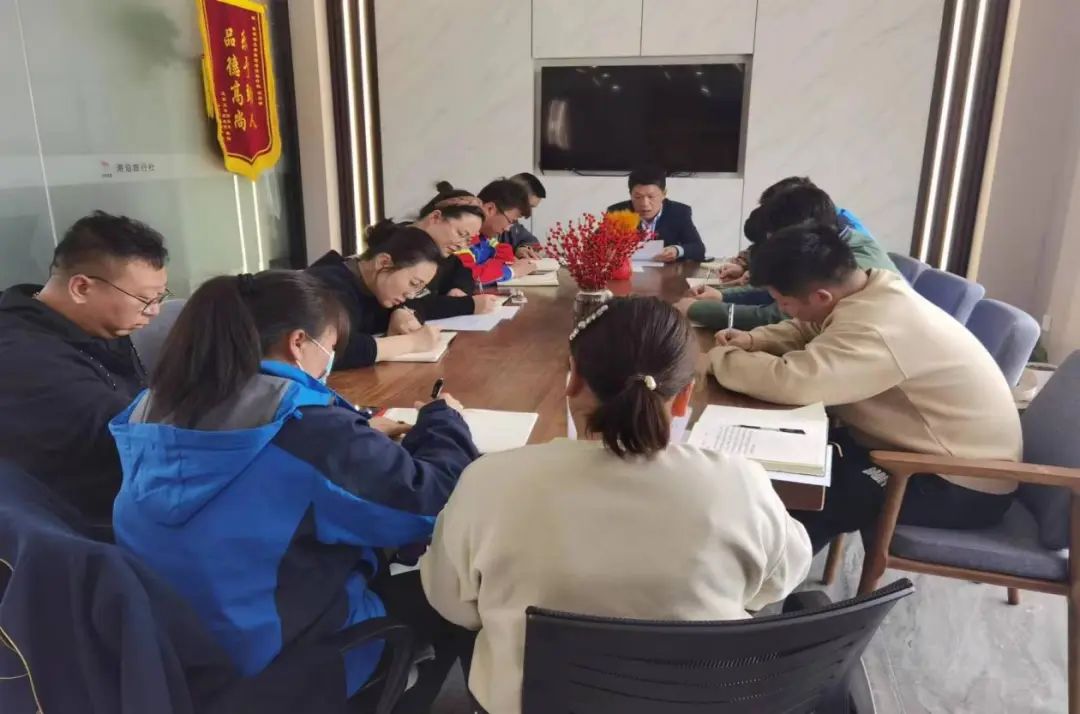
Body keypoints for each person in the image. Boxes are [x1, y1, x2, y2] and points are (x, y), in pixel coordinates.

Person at [421, 296, 812, 714]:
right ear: (685, 397)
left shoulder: (490, 482)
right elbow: (777, 583)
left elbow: (452, 603)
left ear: (573, 379)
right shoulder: (739, 484)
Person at [110, 270, 480, 705]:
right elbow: (434, 503)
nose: (329, 362)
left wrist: (355, 439)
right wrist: (444, 421)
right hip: (280, 660)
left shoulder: (152, 407)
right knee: (466, 588)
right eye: (330, 348)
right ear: (298, 342)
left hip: (179, 653)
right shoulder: (310, 433)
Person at [705, 224, 1022, 552]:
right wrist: (754, 340)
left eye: (784, 303)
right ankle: (761, 564)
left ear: (821, 296)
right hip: (915, 448)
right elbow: (809, 328)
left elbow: (794, 382)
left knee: (812, 497)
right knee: (777, 464)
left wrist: (718, 358)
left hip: (959, 480)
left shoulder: (879, 325)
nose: (784, 311)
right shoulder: (869, 290)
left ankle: (762, 576)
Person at [0, 211, 169, 522]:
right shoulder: (23, 357)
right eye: (145, 299)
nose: (154, 311)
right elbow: (131, 436)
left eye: (160, 297)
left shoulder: (96, 325)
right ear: (81, 288)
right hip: (75, 524)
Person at [678, 182, 896, 330]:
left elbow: (782, 315)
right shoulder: (830, 245)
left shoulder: (848, 265)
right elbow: (784, 297)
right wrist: (723, 296)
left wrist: (700, 310)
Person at [306, 227, 446, 368]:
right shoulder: (326, 287)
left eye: (419, 288)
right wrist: (412, 342)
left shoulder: (376, 287)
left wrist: (400, 312)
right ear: (383, 262)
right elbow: (325, 348)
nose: (411, 294)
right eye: (414, 283)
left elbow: (418, 303)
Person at [607, 165, 706, 262]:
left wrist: (677, 250)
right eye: (638, 197)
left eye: (651, 196)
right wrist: (607, 250)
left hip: (667, 272)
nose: (644, 204)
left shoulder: (679, 212)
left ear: (664, 194)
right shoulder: (617, 212)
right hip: (629, 270)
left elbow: (698, 248)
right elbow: (598, 245)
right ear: (630, 194)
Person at [455, 178, 538, 286]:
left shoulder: (484, 238)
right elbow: (470, 277)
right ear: (490, 208)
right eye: (511, 221)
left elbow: (503, 253)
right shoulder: (461, 237)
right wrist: (512, 271)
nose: (508, 229)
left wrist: (511, 263)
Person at [500, 172, 546, 259]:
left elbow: (532, 241)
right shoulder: (478, 222)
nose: (528, 214)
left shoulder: (514, 224)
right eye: (528, 206)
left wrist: (522, 249)